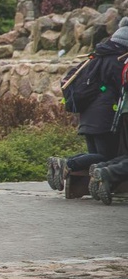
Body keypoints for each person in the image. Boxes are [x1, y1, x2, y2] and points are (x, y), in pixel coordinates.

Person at [48, 17, 128, 191]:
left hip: (87, 115)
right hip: (105, 117)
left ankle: (63, 164)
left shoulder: (97, 56)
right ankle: (67, 164)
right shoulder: (118, 60)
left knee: (96, 155)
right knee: (107, 157)